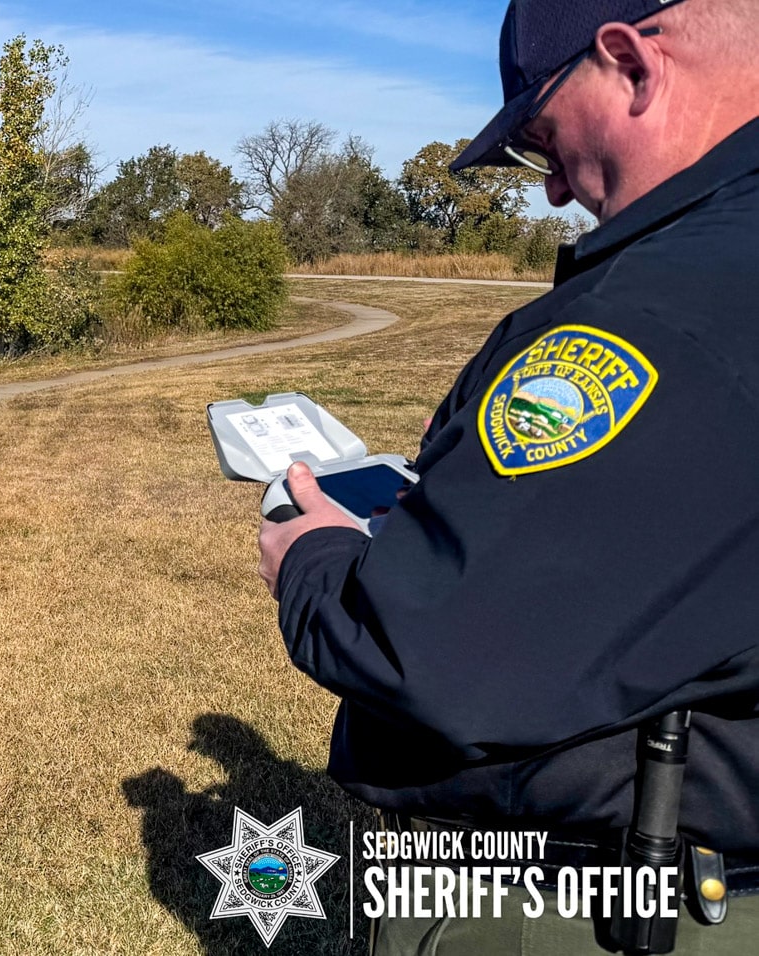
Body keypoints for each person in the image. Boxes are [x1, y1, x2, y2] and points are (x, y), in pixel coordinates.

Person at [257, 0, 759, 951]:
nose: (554, 192)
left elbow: (426, 650)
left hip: (622, 900)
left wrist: (313, 555)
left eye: (541, 140)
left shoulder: (654, 315)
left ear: (632, 66)